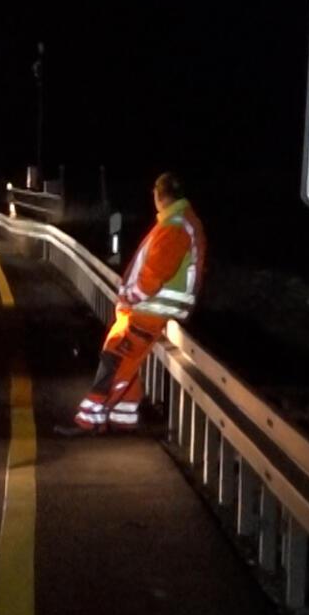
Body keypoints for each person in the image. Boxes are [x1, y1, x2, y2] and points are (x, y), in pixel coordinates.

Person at [57, 172, 205, 436]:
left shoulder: (175, 225)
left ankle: (89, 419)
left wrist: (129, 297)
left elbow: (155, 273)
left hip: (149, 310)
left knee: (115, 360)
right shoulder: (180, 222)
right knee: (124, 361)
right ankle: (123, 417)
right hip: (148, 310)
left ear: (160, 195)